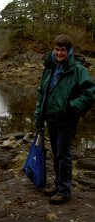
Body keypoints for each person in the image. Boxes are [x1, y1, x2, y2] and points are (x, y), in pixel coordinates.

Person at [34, 34, 95, 204]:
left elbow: (89, 95)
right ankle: (58, 185)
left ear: (68, 51)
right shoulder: (50, 67)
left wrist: (71, 107)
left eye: (62, 50)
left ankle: (65, 191)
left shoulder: (78, 69)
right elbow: (42, 93)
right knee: (56, 155)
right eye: (57, 49)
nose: (59, 53)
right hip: (51, 119)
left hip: (67, 121)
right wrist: (39, 117)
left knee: (64, 155)